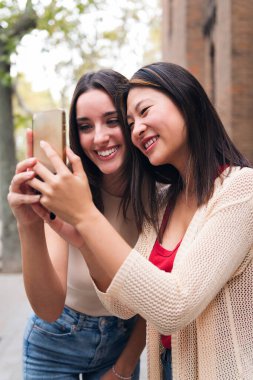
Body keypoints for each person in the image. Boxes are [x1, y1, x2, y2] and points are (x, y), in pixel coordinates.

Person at [10, 62, 253, 379]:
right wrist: (70, 235)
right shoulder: (167, 201)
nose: (135, 128)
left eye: (118, 120)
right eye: (130, 120)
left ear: (185, 100)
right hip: (116, 353)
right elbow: (123, 304)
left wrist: (85, 216)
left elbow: (171, 306)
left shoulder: (236, 188)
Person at [8, 69, 147, 380]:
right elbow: (48, 308)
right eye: (85, 126)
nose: (99, 137)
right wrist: (28, 224)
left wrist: (123, 368)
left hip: (122, 343)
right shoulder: (63, 189)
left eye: (112, 121)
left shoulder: (159, 197)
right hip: (54, 344)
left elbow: (154, 300)